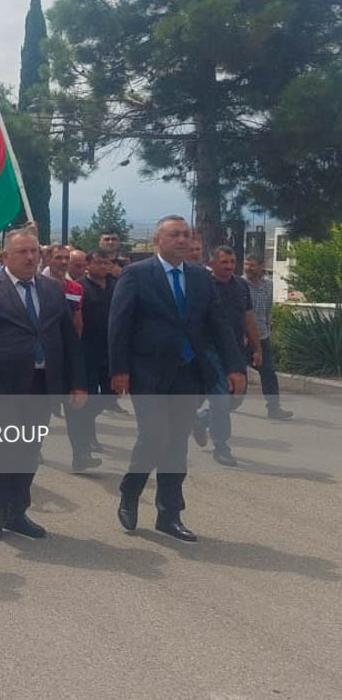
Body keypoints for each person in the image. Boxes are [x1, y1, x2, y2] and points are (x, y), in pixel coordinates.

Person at [109, 215, 246, 542]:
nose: (182, 240)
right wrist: (119, 371)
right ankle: (131, 490)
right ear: (158, 239)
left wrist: (235, 366)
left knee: (176, 445)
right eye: (175, 235)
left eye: (186, 235)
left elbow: (219, 326)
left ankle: (169, 514)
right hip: (148, 373)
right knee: (153, 437)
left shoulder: (201, 278)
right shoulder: (136, 274)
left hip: (188, 373)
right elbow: (119, 326)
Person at [0, 227, 86, 541]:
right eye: (22, 252)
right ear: (5, 257)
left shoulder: (52, 289)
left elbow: (68, 340)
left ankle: (18, 510)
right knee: (4, 449)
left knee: (30, 450)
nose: (30, 258)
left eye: (34, 252)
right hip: (2, 384)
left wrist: (78, 382)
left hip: (43, 384)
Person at [192, 245, 262, 466]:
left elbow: (248, 318)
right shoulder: (202, 286)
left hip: (235, 351)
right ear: (212, 263)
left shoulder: (241, 286)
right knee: (222, 398)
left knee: (236, 397)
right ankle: (221, 447)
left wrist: (257, 347)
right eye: (224, 262)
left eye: (232, 262)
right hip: (209, 350)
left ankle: (201, 419)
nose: (229, 267)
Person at [68, 249, 118, 468]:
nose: (103, 267)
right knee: (83, 400)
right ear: (87, 265)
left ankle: (87, 421)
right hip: (85, 352)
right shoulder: (79, 288)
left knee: (110, 395)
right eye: (99, 262)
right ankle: (81, 453)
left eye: (106, 262)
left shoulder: (116, 286)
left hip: (110, 353)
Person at [243, 253, 292, 420]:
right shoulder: (240, 284)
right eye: (246, 264)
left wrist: (268, 332)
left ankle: (274, 408)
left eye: (252, 265)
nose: (248, 268)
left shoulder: (268, 285)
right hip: (242, 339)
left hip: (262, 337)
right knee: (235, 376)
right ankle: (217, 407)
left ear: (262, 266)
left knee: (269, 372)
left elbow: (267, 310)